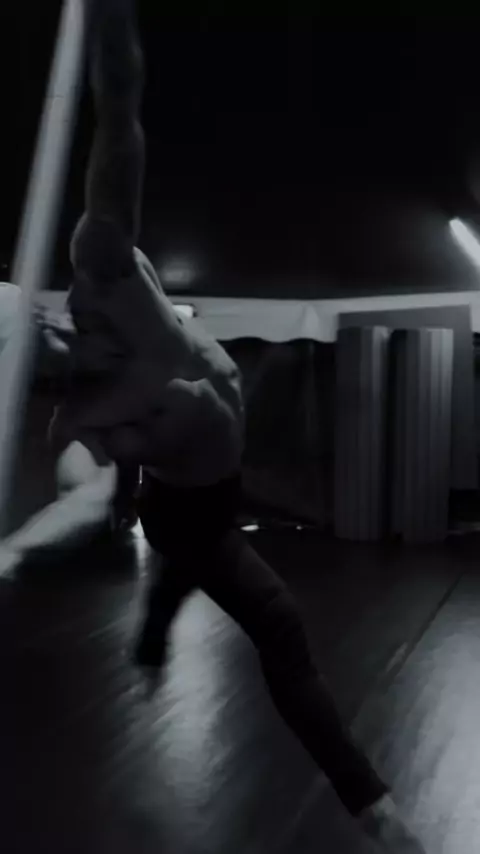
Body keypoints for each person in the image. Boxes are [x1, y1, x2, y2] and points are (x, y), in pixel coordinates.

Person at [0, 2, 426, 851]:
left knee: (177, 577)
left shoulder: (107, 269)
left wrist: (111, 13)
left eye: (42, 328)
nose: (55, 339)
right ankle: (374, 806)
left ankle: (156, 628)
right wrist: (12, 552)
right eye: (39, 354)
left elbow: (121, 106)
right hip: (187, 511)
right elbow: (86, 502)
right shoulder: (88, 413)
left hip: (219, 473)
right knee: (272, 621)